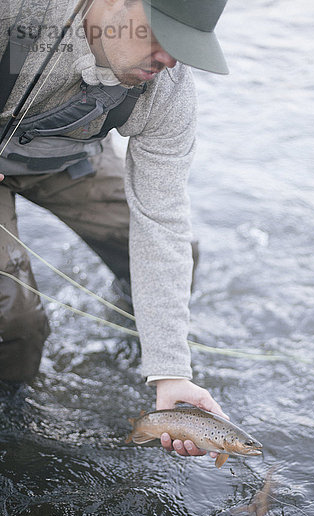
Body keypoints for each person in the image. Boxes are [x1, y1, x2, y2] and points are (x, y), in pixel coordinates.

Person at [0, 0, 230, 460]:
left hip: (66, 159)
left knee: (182, 254)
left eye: (185, 47)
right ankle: (14, 425)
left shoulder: (168, 90)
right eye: (160, 35)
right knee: (15, 319)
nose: (169, 59)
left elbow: (161, 220)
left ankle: (130, 343)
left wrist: (169, 370)